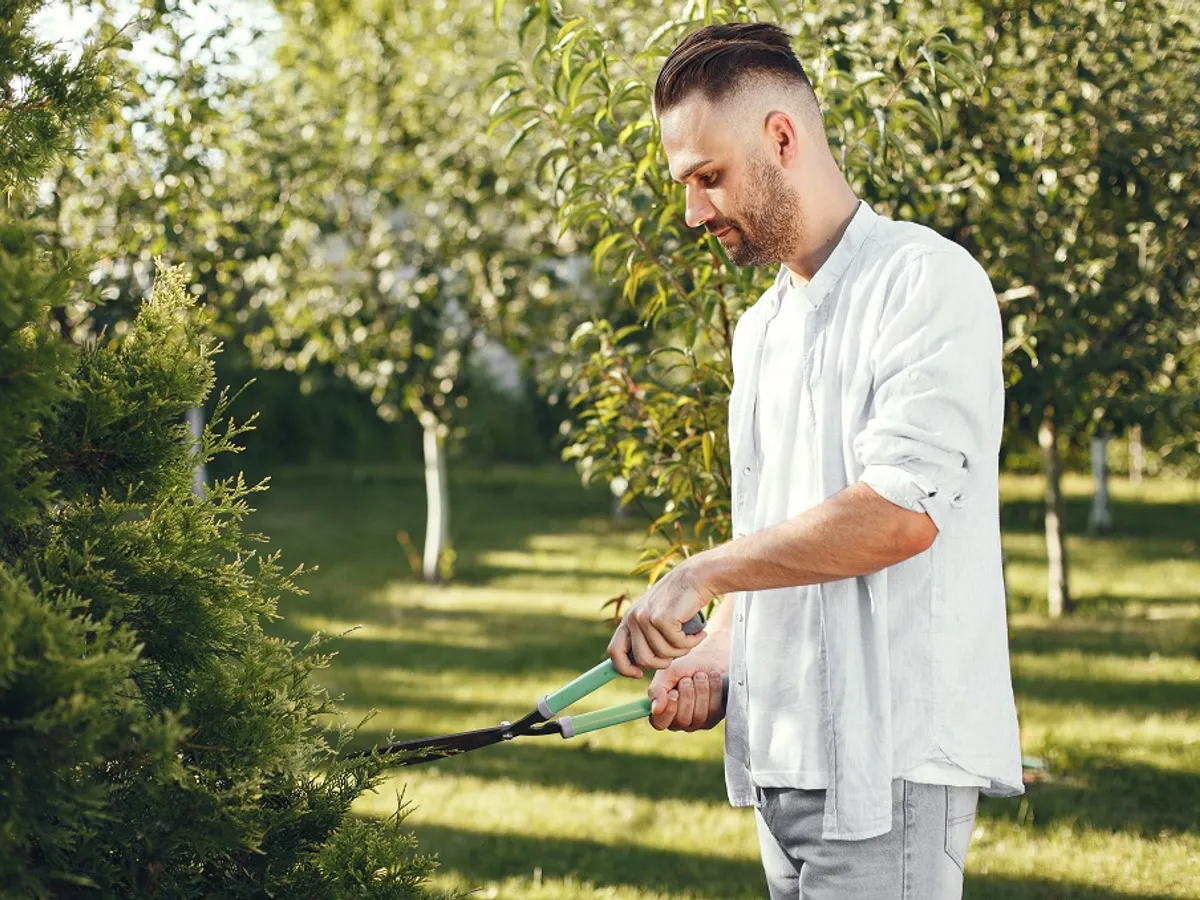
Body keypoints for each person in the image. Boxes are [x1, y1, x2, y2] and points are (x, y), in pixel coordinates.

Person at [605, 22, 1024, 900]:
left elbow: (899, 514)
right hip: (783, 771)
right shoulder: (761, 329)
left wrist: (698, 573)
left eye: (707, 177)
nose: (693, 213)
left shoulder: (925, 281)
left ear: (782, 138)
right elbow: (777, 542)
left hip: (891, 772)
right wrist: (718, 655)